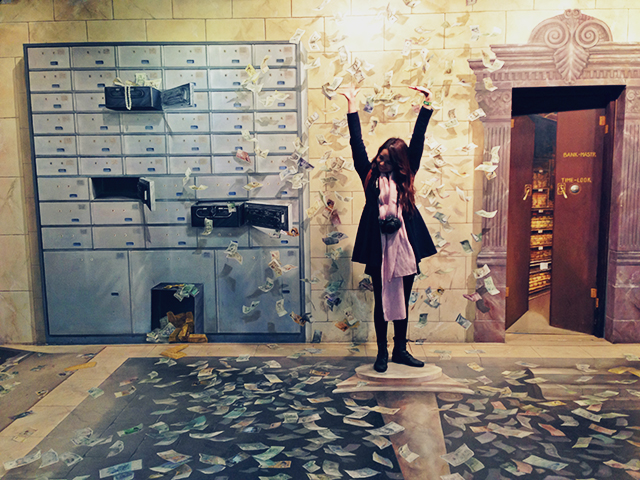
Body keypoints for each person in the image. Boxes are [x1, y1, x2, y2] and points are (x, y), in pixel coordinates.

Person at [339, 84, 437, 373]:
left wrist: (427, 104)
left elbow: (418, 139)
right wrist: (352, 105)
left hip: (405, 247)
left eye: (386, 159)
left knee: (402, 300)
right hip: (378, 247)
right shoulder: (369, 174)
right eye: (379, 157)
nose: (379, 162)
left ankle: (400, 351)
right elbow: (356, 143)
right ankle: (382, 353)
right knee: (381, 300)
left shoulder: (407, 175)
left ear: (398, 162)